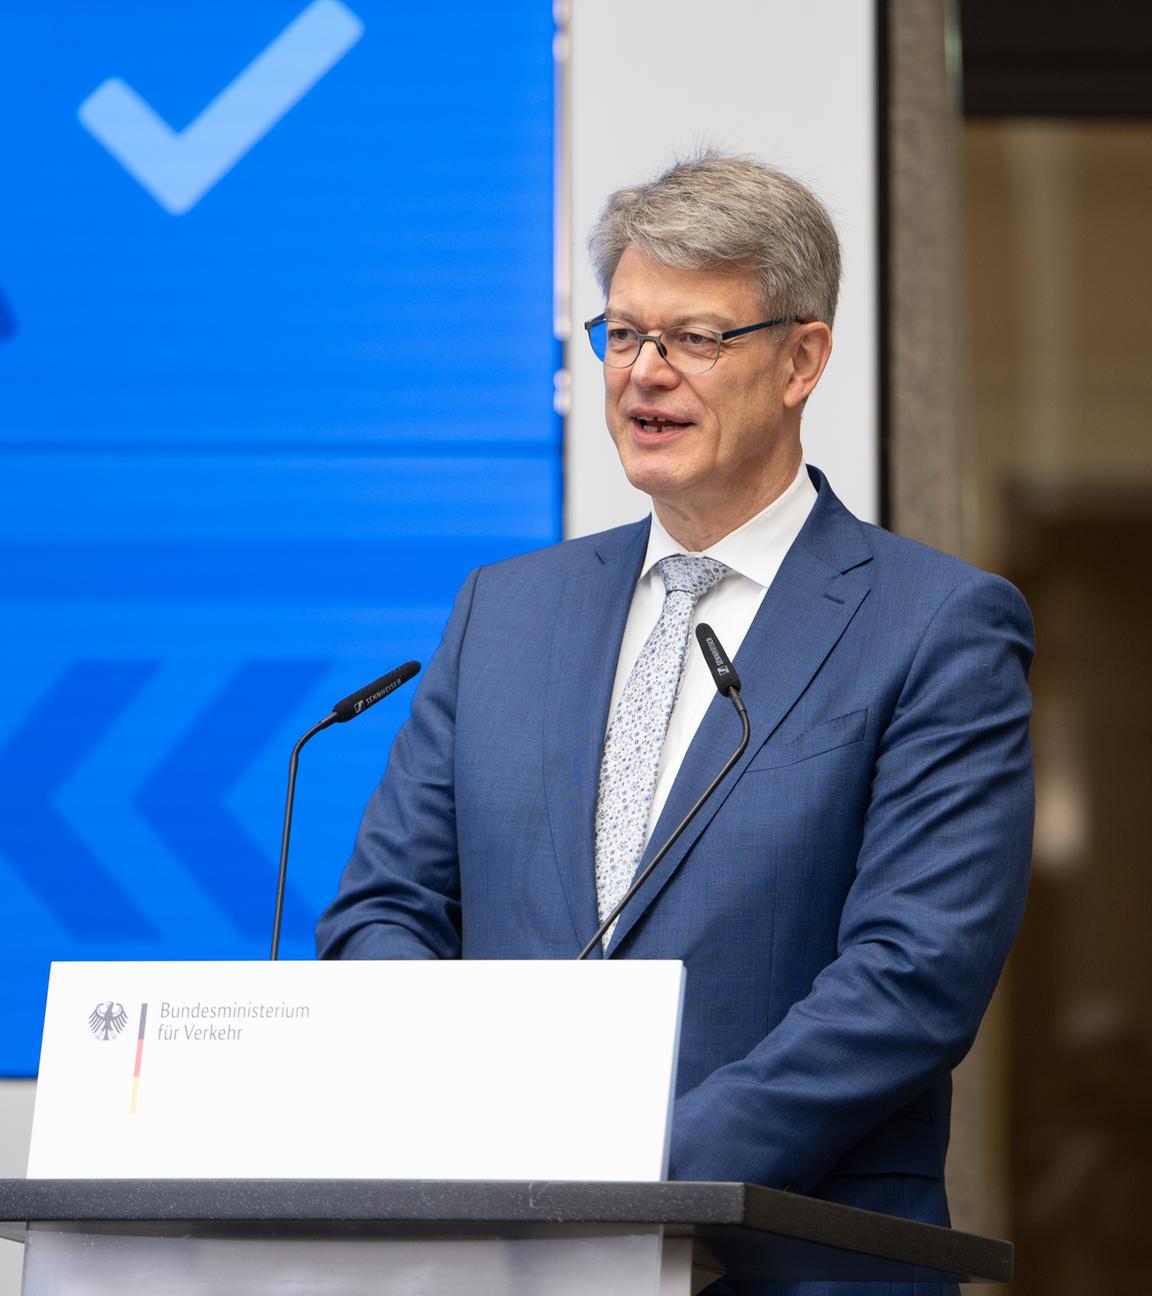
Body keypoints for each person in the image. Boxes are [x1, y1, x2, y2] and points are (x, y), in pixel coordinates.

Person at [316, 154, 1034, 1296]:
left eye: (694, 339)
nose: (644, 375)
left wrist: (641, 1174)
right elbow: (383, 912)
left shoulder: (937, 625)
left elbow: (912, 977)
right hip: (493, 1256)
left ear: (802, 358)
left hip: (788, 1260)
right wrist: (464, 1119)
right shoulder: (505, 611)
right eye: (623, 334)